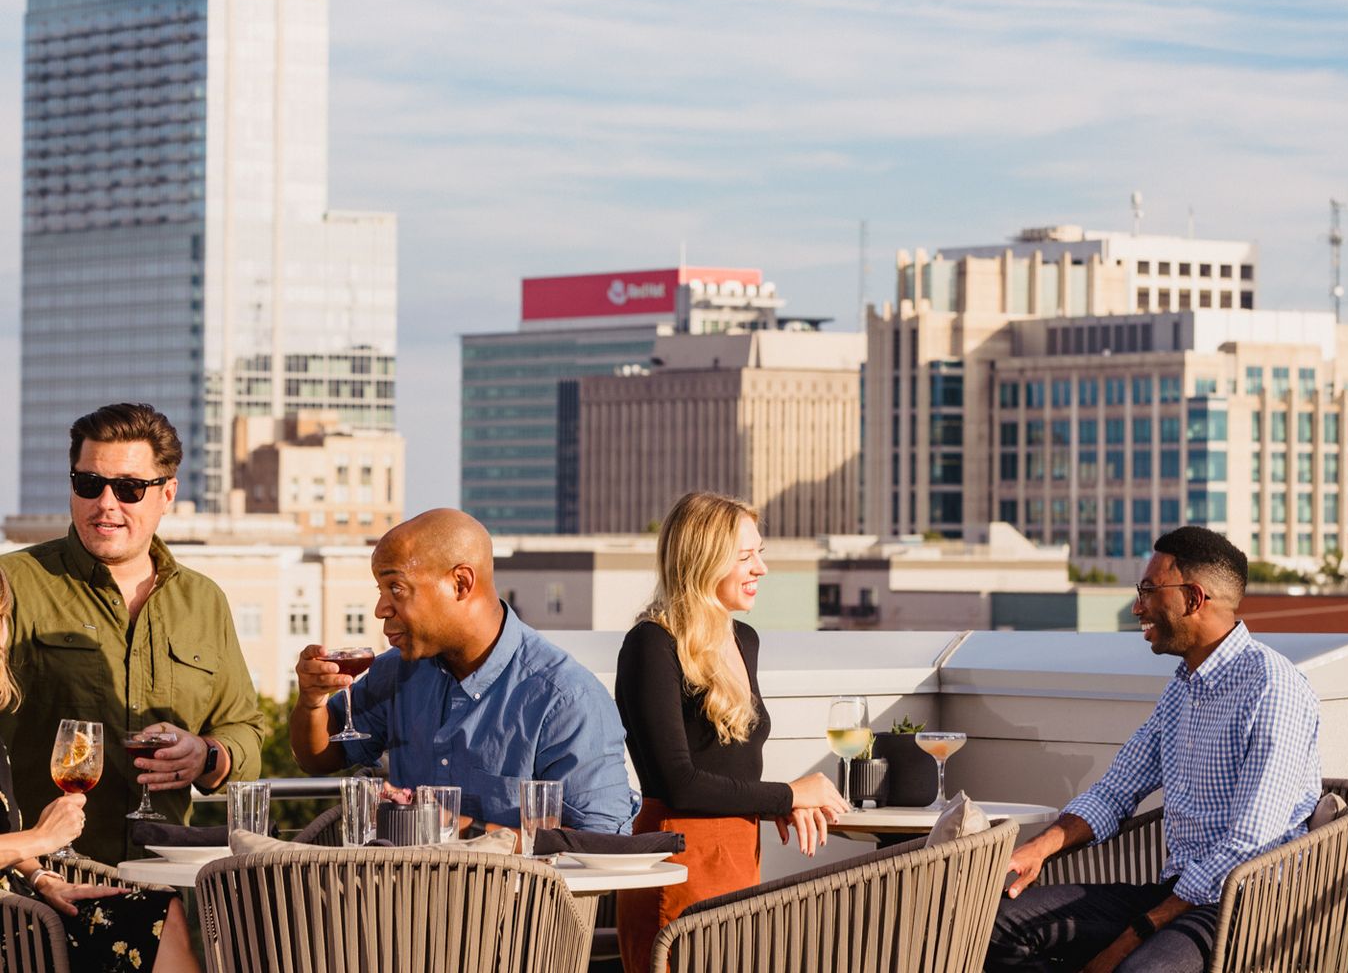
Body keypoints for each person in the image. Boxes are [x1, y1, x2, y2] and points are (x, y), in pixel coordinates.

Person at [987, 526, 1322, 973]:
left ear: (1194, 598)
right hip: (1175, 892)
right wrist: (1039, 850)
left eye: (1148, 590)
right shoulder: (1182, 689)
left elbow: (1248, 844)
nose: (1137, 606)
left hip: (1246, 906)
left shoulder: (1272, 688)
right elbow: (1115, 791)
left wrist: (1134, 935)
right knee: (993, 926)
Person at [0, 403, 267, 861]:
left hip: (163, 871)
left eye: (129, 488)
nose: (106, 503)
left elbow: (245, 729)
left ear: (167, 494)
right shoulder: (11, 585)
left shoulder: (204, 602)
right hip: (36, 881)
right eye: (89, 484)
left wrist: (204, 754)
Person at [613, 491, 850, 970]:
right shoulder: (651, 645)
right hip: (675, 860)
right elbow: (679, 783)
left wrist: (779, 802)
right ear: (703, 561)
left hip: (740, 854)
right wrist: (787, 796)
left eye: (760, 552)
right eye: (745, 556)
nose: (761, 568)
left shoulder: (744, 640)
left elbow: (733, 765)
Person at [290, 508, 634, 834]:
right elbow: (320, 757)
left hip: (518, 897)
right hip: (405, 894)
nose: (381, 609)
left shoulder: (565, 698)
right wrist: (311, 702)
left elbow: (601, 841)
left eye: (396, 588)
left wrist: (461, 831)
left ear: (460, 583)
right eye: (380, 592)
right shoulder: (395, 673)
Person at [0, 568, 202, 971]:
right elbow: (21, 840)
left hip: (21, 901)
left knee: (160, 908)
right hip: (10, 924)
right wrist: (41, 838)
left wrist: (44, 879)